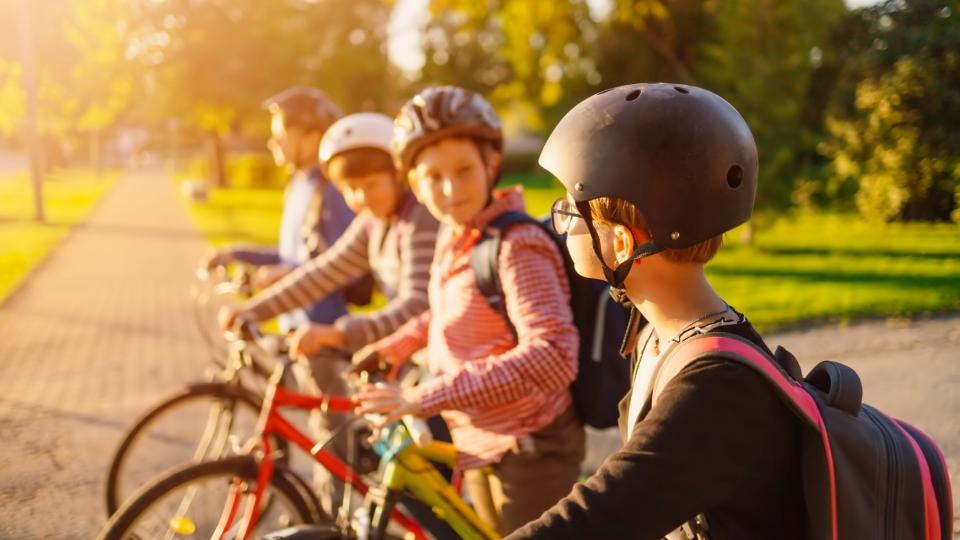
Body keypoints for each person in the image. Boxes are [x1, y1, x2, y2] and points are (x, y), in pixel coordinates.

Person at [505, 83, 804, 539]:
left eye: (570, 209)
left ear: (622, 242)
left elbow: (596, 520)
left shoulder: (716, 390)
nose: (560, 220)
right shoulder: (659, 334)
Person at [354, 86, 584, 535]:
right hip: (481, 440)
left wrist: (422, 398)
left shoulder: (516, 247)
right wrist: (393, 348)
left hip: (530, 448)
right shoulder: (455, 234)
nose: (450, 189)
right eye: (432, 177)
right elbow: (443, 312)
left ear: (491, 165)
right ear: (414, 184)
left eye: (464, 171)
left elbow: (554, 355)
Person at [219, 111, 440, 515]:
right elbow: (320, 274)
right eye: (350, 189)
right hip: (414, 357)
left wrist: (339, 333)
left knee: (426, 495)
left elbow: (418, 305)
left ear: (397, 172)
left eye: (371, 184)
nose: (361, 199)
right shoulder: (375, 222)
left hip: (443, 366)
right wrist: (253, 310)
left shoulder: (420, 217)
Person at [203, 86, 361, 332]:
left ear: (312, 139)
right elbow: (289, 255)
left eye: (282, 135)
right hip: (290, 325)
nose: (272, 142)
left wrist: (285, 274)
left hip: (320, 333)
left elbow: (348, 270)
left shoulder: (332, 192)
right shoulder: (297, 184)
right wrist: (236, 253)